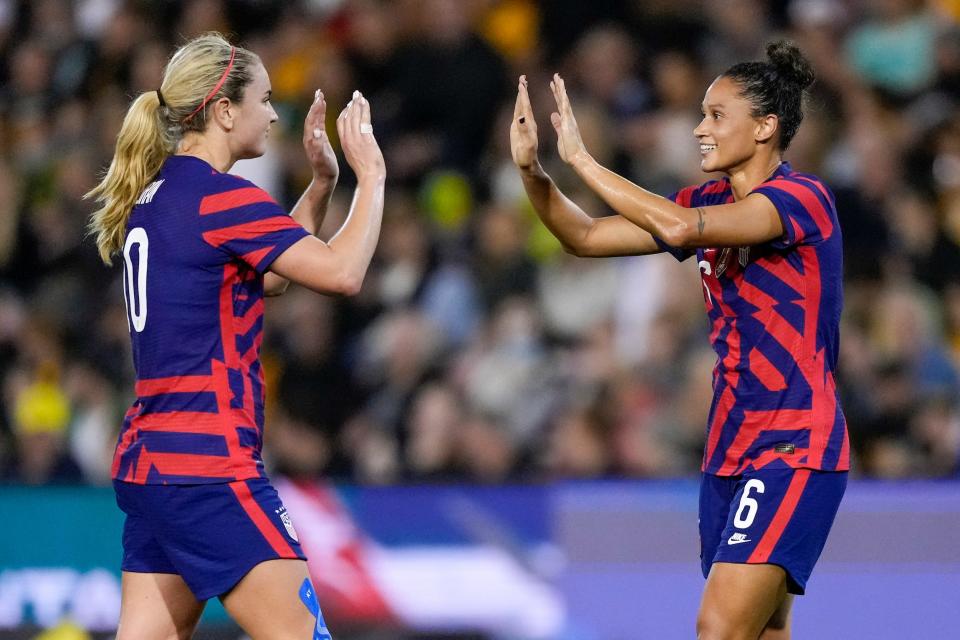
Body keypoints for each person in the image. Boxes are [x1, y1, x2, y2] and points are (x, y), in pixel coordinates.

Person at [511, 41, 847, 640]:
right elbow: (585, 236)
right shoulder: (707, 200)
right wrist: (534, 172)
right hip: (728, 446)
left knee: (718, 627)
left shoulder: (802, 201)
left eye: (717, 116)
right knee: (764, 630)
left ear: (766, 127)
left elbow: (675, 228)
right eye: (701, 114)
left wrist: (585, 162)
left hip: (794, 440)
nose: (699, 129)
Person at [85, 33, 385, 639]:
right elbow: (342, 273)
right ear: (225, 110)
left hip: (152, 466)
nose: (275, 114)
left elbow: (269, 275)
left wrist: (322, 186)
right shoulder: (220, 199)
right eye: (266, 99)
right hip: (210, 466)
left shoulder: (157, 198)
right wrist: (372, 177)